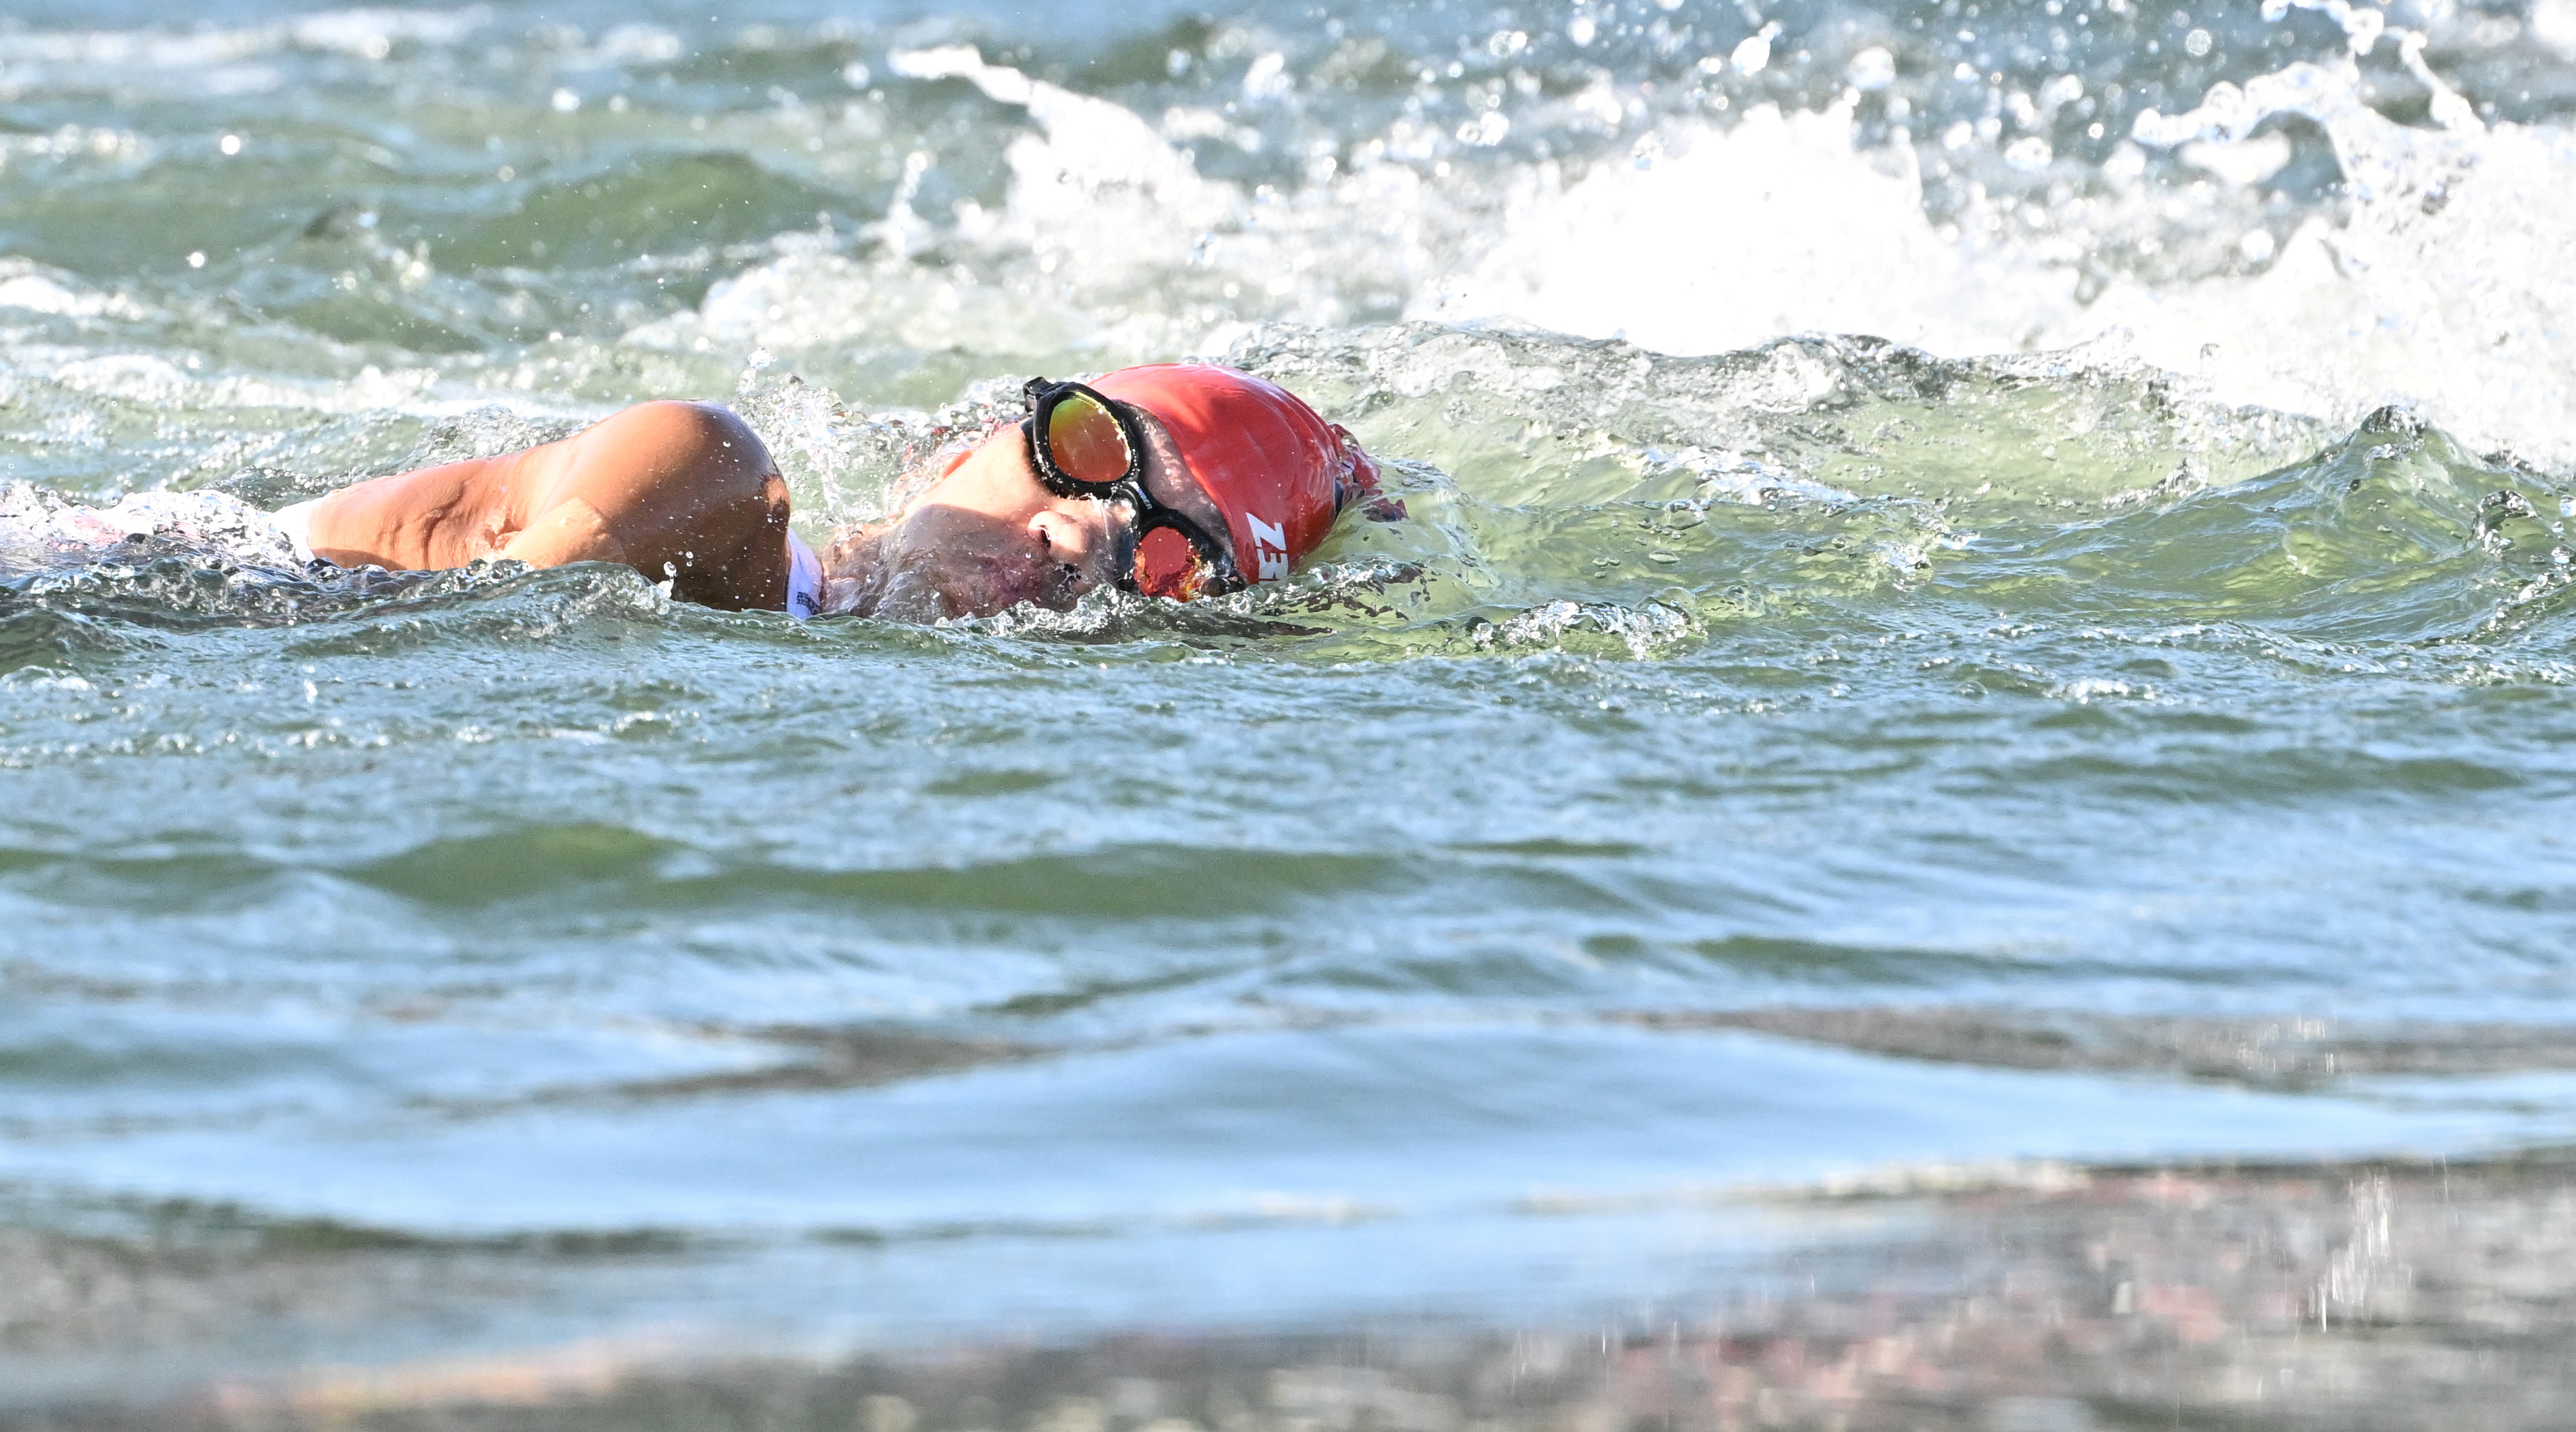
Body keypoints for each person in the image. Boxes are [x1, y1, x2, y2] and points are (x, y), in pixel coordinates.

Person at [269, 364, 1384, 622]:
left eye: (1166, 558)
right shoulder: (709, 476)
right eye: (1090, 452)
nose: (1072, 537)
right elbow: (466, 656)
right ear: (952, 452)